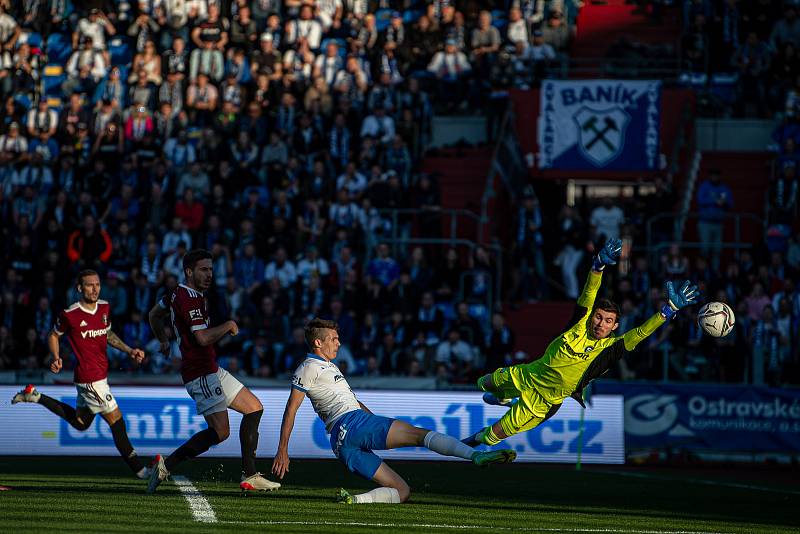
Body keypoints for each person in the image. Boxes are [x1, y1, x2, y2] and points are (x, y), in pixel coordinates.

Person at [463, 238, 700, 447]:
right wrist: (598, 266)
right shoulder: (580, 322)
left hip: (543, 401)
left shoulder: (610, 349)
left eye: (608, 321)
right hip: (526, 374)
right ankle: (504, 398)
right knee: (483, 383)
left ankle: (460, 448)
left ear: (614, 327)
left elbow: (640, 333)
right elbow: (589, 292)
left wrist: (668, 311)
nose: (600, 324)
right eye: (598, 317)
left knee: (490, 437)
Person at [271, 318, 516, 505]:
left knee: (401, 491)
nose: (339, 342)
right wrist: (282, 450)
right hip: (352, 424)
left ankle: (355, 500)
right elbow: (291, 410)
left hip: (342, 443)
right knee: (420, 435)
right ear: (318, 342)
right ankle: (475, 456)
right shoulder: (308, 367)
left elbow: (353, 401)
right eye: (334, 339)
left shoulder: (326, 366)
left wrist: (371, 418)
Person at [146, 249, 280, 493]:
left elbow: (154, 315)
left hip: (210, 369)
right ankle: (167, 465)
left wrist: (163, 340)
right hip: (201, 374)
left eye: (211, 269)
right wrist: (228, 325)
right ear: (189, 271)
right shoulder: (190, 299)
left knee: (254, 407)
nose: (209, 274)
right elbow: (202, 338)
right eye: (203, 269)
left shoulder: (176, 293)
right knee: (220, 432)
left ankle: (250, 475)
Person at [11, 270, 150, 479]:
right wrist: (56, 357)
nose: (94, 289)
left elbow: (108, 333)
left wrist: (129, 350)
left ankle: (35, 396)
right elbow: (53, 335)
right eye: (89, 285)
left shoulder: (104, 307)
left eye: (97, 284)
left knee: (80, 423)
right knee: (117, 422)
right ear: (79, 288)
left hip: (99, 376)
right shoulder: (70, 314)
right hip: (89, 378)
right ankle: (141, 471)